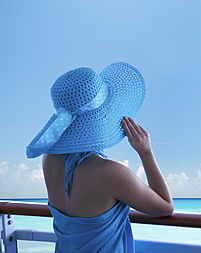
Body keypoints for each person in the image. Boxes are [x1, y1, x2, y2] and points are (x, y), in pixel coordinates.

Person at [26, 62, 173, 253]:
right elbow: (165, 207)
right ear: (104, 115)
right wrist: (146, 152)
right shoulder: (111, 174)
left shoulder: (49, 160)